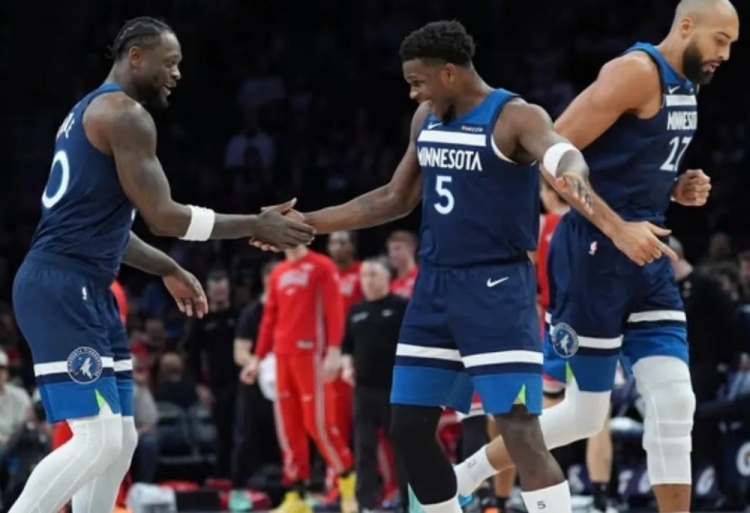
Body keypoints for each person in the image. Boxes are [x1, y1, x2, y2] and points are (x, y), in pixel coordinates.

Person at [256, 19, 594, 513]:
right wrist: (306, 223)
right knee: (408, 428)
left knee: (519, 429)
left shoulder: (514, 116)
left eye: (419, 82)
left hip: (496, 288)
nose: (414, 94)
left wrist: (573, 175)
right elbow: (394, 198)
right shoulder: (427, 120)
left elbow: (562, 153)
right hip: (434, 288)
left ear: (450, 72)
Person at [9, 16, 314, 513]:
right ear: (136, 57)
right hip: (62, 284)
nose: (177, 73)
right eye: (169, 62)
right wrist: (254, 223)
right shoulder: (125, 114)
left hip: (87, 284)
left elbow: (111, 231)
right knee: (97, 440)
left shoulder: (90, 110)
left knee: (121, 440)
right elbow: (164, 216)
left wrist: (168, 268)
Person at [452, 2, 738, 512]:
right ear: (686, 27)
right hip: (592, 257)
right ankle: (464, 475)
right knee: (584, 415)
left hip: (647, 257)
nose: (726, 53)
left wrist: (675, 186)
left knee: (676, 402)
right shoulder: (635, 73)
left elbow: (627, 166)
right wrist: (617, 228)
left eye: (732, 44)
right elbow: (550, 159)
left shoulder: (689, 84)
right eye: (721, 40)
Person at [244, 245, 355, 513]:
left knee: (319, 424)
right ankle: (297, 493)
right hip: (282, 356)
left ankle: (348, 484)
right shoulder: (278, 272)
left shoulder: (322, 266)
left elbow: (334, 309)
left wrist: (334, 349)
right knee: (288, 428)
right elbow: (270, 317)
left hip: (311, 353)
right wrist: (257, 357)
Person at [341, 257, 409, 513]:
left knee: (402, 447)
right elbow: (346, 347)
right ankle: (366, 504)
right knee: (364, 448)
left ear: (387, 277)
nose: (367, 280)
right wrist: (347, 366)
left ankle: (408, 502)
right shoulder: (355, 311)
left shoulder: (401, 307)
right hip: (364, 390)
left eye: (373, 274)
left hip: (395, 389)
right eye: (364, 275)